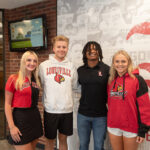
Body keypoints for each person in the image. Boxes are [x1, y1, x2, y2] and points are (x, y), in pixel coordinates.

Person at [39, 35, 78, 150]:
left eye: (64, 47)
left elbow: (75, 86)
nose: (62, 49)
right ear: (53, 48)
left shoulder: (71, 66)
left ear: (67, 48)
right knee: (49, 141)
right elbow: (40, 84)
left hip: (67, 110)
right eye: (59, 47)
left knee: (63, 140)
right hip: (50, 110)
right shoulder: (43, 66)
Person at [107, 50, 150, 150]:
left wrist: (142, 130)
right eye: (117, 61)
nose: (120, 64)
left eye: (123, 61)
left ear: (129, 63)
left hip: (131, 127)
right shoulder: (111, 80)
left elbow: (145, 107)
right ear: (113, 63)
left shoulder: (137, 80)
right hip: (113, 126)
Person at [5, 51, 43, 150]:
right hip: (20, 118)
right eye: (29, 60)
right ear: (23, 61)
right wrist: (12, 126)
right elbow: (7, 104)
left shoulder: (36, 79)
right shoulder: (13, 78)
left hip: (34, 117)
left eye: (35, 61)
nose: (32, 63)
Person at [77, 41, 110, 150]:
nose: (92, 51)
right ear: (85, 53)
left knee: (99, 146)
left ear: (99, 52)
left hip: (101, 116)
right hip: (83, 115)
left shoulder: (106, 69)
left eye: (95, 49)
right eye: (89, 49)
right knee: (83, 145)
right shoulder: (80, 70)